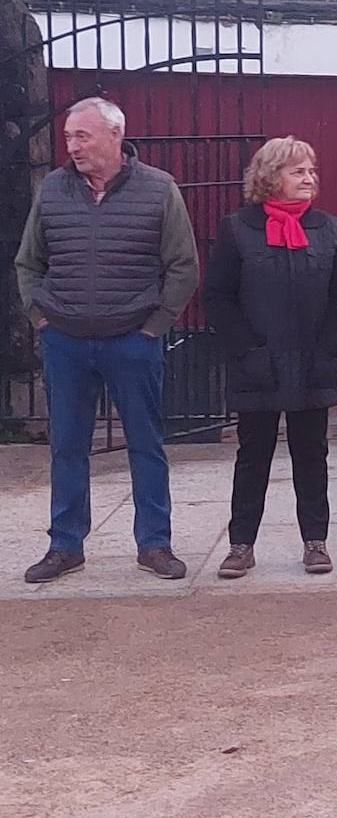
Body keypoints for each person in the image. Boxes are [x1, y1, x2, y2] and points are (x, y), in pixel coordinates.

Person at [15, 97, 200, 583]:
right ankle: (65, 545)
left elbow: (183, 265)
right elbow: (28, 262)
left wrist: (154, 326)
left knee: (146, 444)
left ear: (116, 136)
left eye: (83, 136)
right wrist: (40, 315)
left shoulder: (159, 190)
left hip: (132, 340)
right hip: (66, 342)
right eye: (69, 137)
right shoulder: (52, 189)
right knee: (67, 446)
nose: (72, 146)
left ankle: (155, 544)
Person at [203, 137, 337, 579]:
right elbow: (219, 296)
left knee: (313, 454)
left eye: (311, 170)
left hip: (312, 361)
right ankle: (241, 545)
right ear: (271, 177)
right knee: (253, 455)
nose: (309, 178)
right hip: (258, 363)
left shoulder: (330, 228)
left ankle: (316, 542)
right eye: (298, 171)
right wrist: (246, 350)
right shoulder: (238, 229)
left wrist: (330, 344)